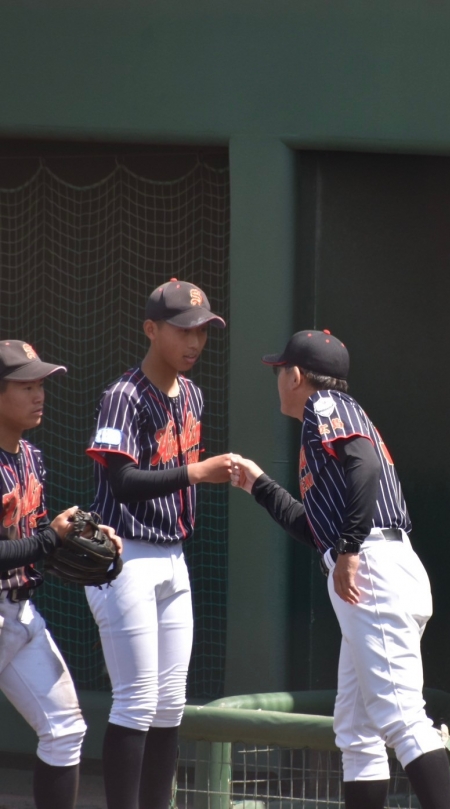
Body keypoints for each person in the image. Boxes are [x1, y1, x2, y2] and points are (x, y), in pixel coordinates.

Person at [228, 329, 450, 809]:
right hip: (373, 565)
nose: (277, 379)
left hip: (371, 563)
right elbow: (314, 528)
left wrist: (349, 548)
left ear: (294, 375)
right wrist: (259, 485)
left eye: (279, 371)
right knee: (357, 730)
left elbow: (364, 464)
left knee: (402, 718)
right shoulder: (321, 428)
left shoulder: (326, 405)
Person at [85, 279, 232, 809]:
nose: (195, 341)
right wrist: (196, 472)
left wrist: (195, 474)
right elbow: (122, 481)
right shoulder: (123, 396)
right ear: (151, 329)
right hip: (124, 554)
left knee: (170, 705)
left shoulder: (192, 394)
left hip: (174, 556)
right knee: (136, 701)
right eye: (183, 330)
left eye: (202, 331)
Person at [0, 339, 121, 809]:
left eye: (41, 385)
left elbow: (34, 538)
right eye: (26, 386)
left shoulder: (31, 457)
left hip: (19, 614)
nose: (39, 395)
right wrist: (50, 540)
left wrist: (81, 537)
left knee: (65, 730)